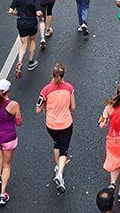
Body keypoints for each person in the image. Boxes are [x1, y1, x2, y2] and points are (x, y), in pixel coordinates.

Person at [38, 63, 76, 194]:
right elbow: (73, 107)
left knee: (56, 144)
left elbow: (37, 108)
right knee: (64, 151)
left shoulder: (45, 90)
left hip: (51, 125)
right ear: (64, 75)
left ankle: (57, 166)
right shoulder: (69, 88)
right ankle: (60, 174)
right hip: (66, 124)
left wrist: (45, 106)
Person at [9, 0, 44, 78]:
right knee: (32, 41)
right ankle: (31, 62)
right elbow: (38, 13)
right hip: (31, 22)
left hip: (21, 22)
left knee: (23, 44)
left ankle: (20, 62)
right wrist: (41, 17)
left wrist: (18, 13)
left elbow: (11, 10)